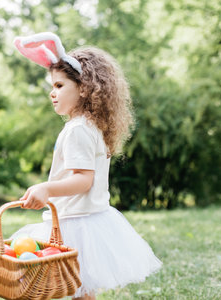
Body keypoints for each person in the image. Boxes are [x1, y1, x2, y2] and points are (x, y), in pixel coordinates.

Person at [11, 32, 162, 299]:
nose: (52, 92)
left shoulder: (77, 130)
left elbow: (83, 180)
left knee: (64, 288)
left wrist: (47, 188)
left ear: (82, 88)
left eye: (59, 86)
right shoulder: (89, 126)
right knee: (81, 291)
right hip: (89, 219)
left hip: (76, 223)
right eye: (52, 86)